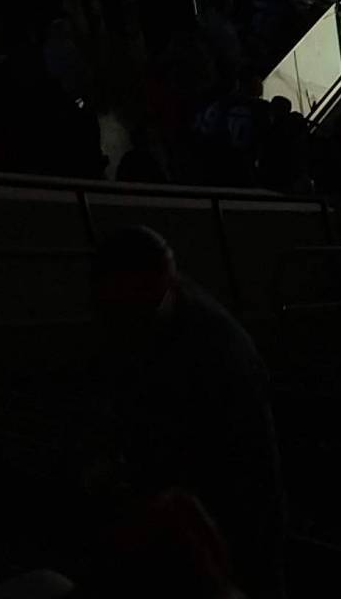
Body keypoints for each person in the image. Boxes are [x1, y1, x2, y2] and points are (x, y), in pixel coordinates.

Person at [88, 226, 285, 599]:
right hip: (213, 502)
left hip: (221, 504)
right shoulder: (179, 323)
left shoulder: (213, 351)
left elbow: (227, 462)